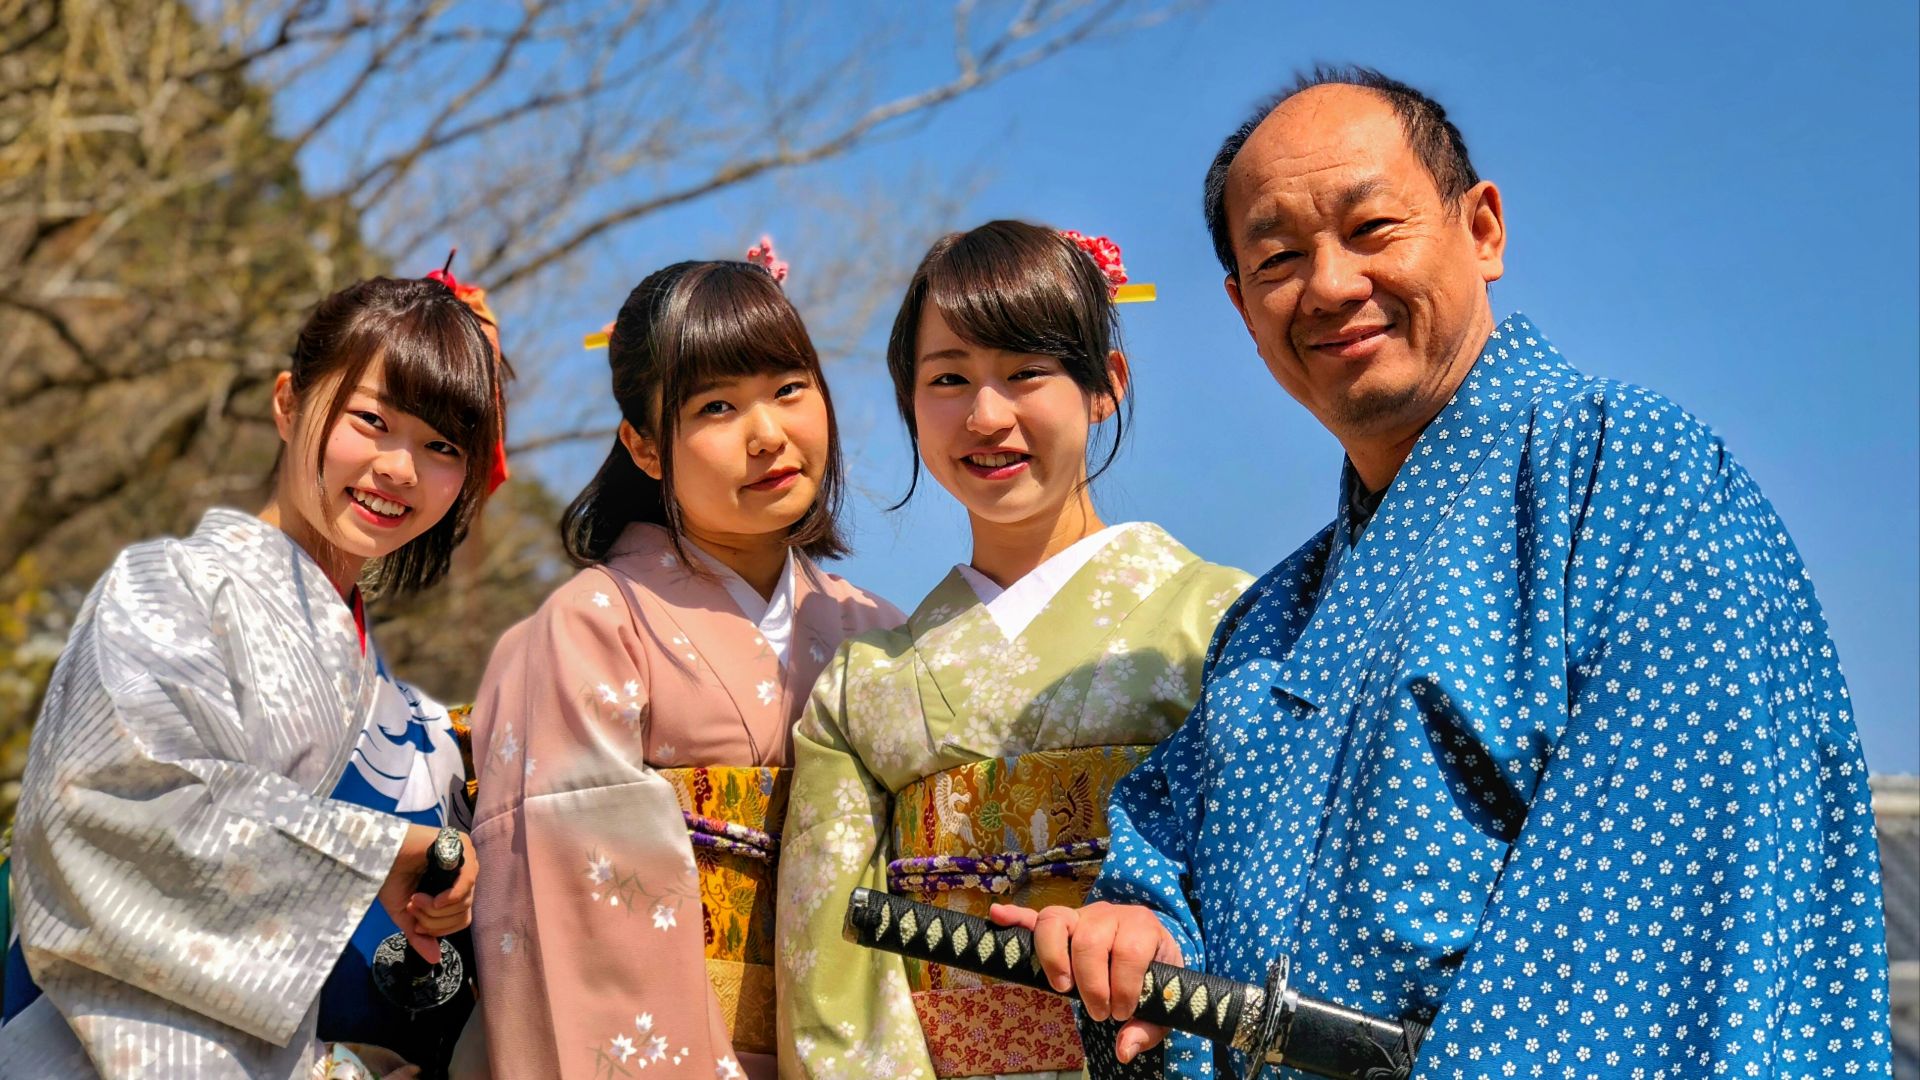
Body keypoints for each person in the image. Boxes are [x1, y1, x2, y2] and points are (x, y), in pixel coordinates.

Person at [991, 67, 1896, 1078]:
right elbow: (1163, 877)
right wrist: (1138, 941)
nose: (1330, 285)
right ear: (1244, 308)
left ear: (1484, 230)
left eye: (1372, 228)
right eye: (1280, 257)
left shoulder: (1629, 476)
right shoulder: (1268, 622)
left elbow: (1660, 927)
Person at [776, 220, 1252, 1080]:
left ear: (1105, 384)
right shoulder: (860, 686)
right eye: (948, 379)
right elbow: (830, 972)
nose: (986, 415)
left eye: (1025, 372)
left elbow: (1269, 905)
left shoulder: (1222, 620)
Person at [0, 275, 495, 1079]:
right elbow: (113, 804)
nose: (401, 468)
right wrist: (378, 854)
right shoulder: (168, 591)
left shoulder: (409, 710)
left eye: (443, 448)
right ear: (288, 403)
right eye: (372, 420)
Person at [457, 252, 901, 1080]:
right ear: (645, 447)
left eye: (789, 388)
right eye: (718, 406)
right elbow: (575, 910)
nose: (767, 433)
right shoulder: (588, 628)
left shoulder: (880, 632)